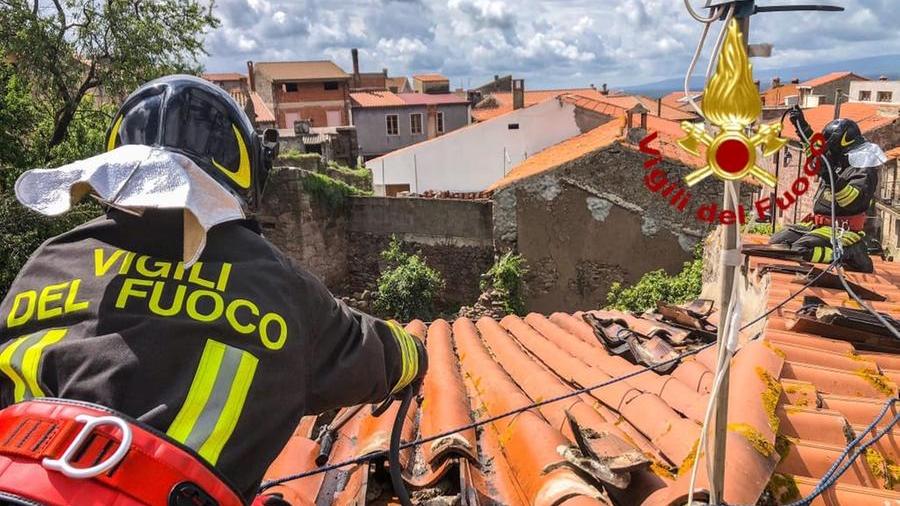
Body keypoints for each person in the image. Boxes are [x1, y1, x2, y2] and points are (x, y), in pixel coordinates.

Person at [0, 75, 426, 505]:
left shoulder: (48, 261)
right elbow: (370, 352)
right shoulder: (279, 288)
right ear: (245, 170)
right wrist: (415, 352)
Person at [769, 106, 886, 273]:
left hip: (842, 229)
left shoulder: (864, 169)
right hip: (818, 225)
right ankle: (834, 250)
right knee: (778, 241)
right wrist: (802, 126)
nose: (827, 151)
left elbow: (851, 201)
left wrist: (830, 176)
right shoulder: (840, 160)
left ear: (840, 145)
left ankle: (849, 254)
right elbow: (816, 152)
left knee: (801, 250)